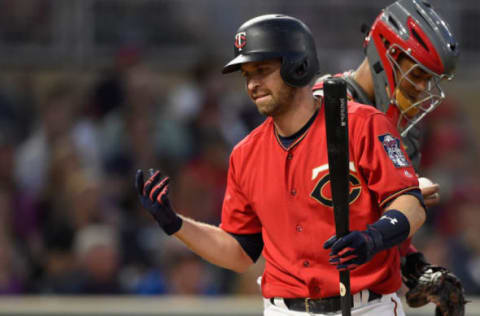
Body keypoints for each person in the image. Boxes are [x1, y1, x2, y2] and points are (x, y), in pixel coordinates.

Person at [136, 14, 427, 315]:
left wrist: (375, 236)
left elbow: (410, 203)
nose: (252, 84)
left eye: (262, 70)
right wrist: (175, 224)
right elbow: (239, 252)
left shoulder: (360, 124)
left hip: (367, 306)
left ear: (298, 66)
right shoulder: (245, 154)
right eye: (246, 75)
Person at [311, 0, 465, 315]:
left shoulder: (396, 122)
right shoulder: (327, 108)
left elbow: (378, 227)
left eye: (429, 79)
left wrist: (413, 262)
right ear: (388, 55)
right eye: (419, 74)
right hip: (317, 298)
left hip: (371, 294)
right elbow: (312, 214)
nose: (423, 89)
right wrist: (402, 201)